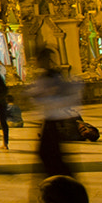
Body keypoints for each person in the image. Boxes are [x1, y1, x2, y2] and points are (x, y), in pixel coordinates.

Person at [28, 50, 82, 194]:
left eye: (37, 59)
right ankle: (59, 186)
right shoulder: (48, 75)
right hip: (50, 118)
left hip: (54, 119)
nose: (35, 62)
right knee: (50, 154)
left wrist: (44, 94)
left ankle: (62, 186)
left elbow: (61, 93)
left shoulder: (52, 75)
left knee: (48, 154)